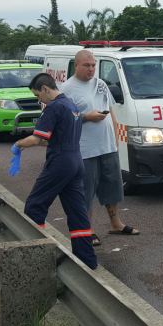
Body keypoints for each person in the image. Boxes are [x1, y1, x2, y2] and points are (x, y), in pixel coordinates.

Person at [13, 73, 97, 269]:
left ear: (45, 89)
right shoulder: (71, 105)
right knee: (77, 212)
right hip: (76, 161)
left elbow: (37, 138)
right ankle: (87, 260)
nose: (38, 100)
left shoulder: (53, 108)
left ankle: (35, 258)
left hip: (59, 162)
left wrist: (18, 145)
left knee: (35, 206)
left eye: (37, 95)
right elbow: (54, 138)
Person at [59, 49, 138, 246]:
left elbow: (110, 109)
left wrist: (116, 137)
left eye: (93, 65)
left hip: (107, 145)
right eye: (87, 65)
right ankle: (88, 229)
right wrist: (87, 117)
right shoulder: (67, 89)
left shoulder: (101, 84)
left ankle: (115, 223)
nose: (91, 69)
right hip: (85, 149)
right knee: (86, 191)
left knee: (112, 186)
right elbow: (64, 120)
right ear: (76, 65)